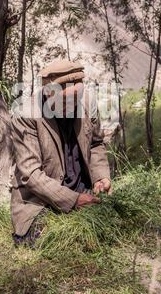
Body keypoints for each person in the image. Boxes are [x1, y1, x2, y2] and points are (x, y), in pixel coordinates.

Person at [10, 59, 111, 246]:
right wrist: (73, 201)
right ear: (48, 94)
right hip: (40, 201)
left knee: (111, 225)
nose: (73, 106)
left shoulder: (87, 103)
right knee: (57, 241)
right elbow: (31, 174)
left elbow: (96, 144)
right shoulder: (26, 114)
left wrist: (100, 177)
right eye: (65, 101)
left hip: (82, 192)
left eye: (76, 99)